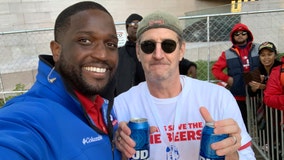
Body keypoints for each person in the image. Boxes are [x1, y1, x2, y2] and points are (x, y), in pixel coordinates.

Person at [113, 11, 255, 160]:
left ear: (181, 50)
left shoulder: (218, 98)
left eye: (168, 45)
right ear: (138, 52)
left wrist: (231, 153)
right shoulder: (120, 106)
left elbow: (248, 156)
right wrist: (119, 153)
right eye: (148, 46)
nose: (158, 54)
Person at [0, 1, 121, 159]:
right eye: (85, 41)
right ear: (57, 50)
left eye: (110, 44)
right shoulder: (27, 119)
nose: (102, 55)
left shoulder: (104, 108)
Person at [211, 23, 260, 128]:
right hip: (238, 94)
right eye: (236, 34)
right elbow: (215, 69)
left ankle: (261, 142)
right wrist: (227, 79)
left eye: (243, 33)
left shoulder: (258, 48)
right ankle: (244, 142)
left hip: (257, 92)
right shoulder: (227, 54)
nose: (240, 35)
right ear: (233, 37)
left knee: (260, 120)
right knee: (242, 121)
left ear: (248, 35)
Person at [115, 13, 145, 96]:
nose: (135, 26)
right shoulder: (118, 53)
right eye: (132, 24)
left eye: (139, 24)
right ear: (127, 28)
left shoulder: (150, 50)